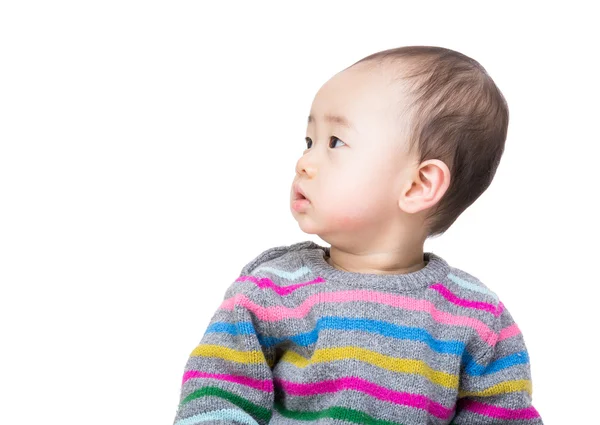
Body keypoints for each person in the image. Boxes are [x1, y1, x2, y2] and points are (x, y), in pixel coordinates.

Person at [172, 46, 544, 425]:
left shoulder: (478, 319)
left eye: (335, 142)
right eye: (309, 142)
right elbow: (214, 398)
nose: (304, 162)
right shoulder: (271, 291)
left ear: (418, 185)